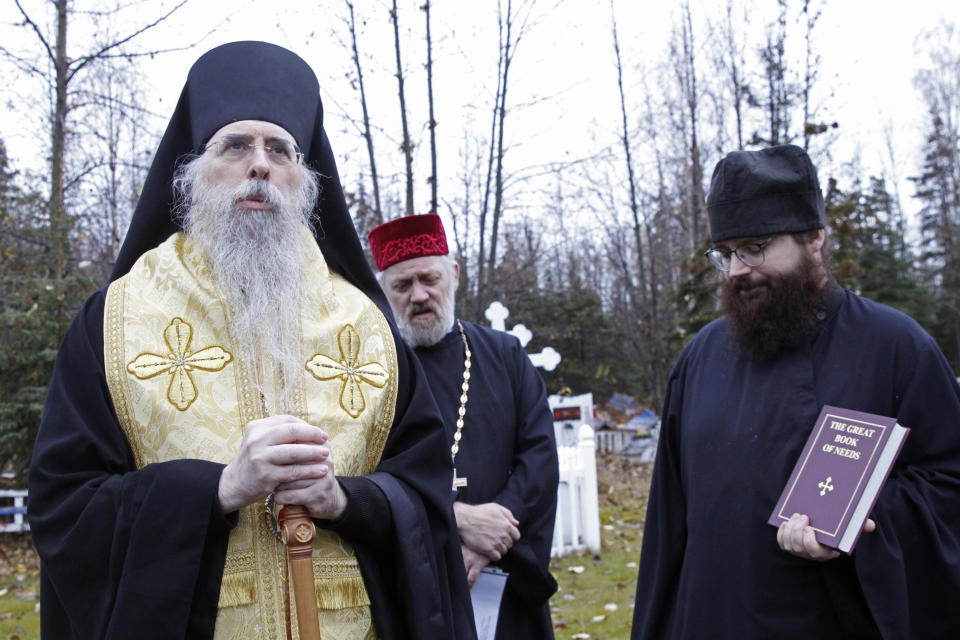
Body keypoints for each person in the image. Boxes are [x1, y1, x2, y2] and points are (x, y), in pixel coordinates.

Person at [28, 42, 476, 640]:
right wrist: (216, 489)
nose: (259, 165)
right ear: (193, 172)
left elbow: (423, 496)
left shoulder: (366, 327)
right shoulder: (114, 322)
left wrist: (342, 499)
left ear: (303, 178)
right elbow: (65, 509)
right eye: (236, 145)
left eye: (280, 149)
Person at [631, 144, 960, 639]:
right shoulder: (699, 359)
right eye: (725, 254)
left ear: (814, 237)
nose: (738, 268)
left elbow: (948, 488)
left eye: (756, 247)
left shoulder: (897, 348)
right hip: (711, 618)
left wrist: (858, 520)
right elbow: (668, 527)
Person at [369, 213, 559, 639]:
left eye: (429, 278)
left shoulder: (505, 355)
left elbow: (539, 459)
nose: (419, 295)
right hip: (413, 579)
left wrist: (490, 536)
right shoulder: (374, 371)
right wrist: (454, 518)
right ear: (384, 291)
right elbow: (365, 472)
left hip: (504, 573)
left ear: (453, 275)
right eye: (402, 285)